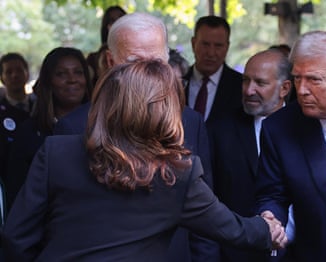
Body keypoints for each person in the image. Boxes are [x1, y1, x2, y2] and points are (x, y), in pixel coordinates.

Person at [1, 60, 288, 261]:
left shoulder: (56, 152)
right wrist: (268, 228)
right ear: (165, 111)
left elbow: (16, 237)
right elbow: (232, 229)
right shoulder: (176, 173)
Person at [52, 12, 216, 262]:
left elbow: (206, 219)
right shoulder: (73, 128)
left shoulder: (190, 122)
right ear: (110, 61)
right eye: (135, 61)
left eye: (156, 62)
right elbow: (59, 223)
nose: (146, 73)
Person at [255, 31, 326, 261]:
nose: (301, 89)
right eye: (297, 78)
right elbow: (273, 194)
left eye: (314, 79)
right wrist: (270, 218)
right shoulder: (279, 129)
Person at [208, 49, 291, 261]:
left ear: (284, 88)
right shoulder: (219, 130)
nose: (248, 90)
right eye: (246, 81)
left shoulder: (306, 128)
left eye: (260, 83)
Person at [4, 47, 91, 210]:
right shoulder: (28, 133)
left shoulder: (105, 127)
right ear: (48, 81)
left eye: (78, 72)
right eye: (61, 74)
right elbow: (17, 192)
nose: (72, 79)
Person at [184, 15, 242, 124]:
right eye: (205, 44)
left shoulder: (241, 87)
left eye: (218, 46)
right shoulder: (176, 83)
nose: (211, 53)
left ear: (227, 47)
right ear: (193, 43)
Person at [0, 53, 34, 181]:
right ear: (2, 78)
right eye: (9, 72)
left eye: (19, 70)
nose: (15, 75)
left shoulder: (40, 108)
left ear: (27, 74)